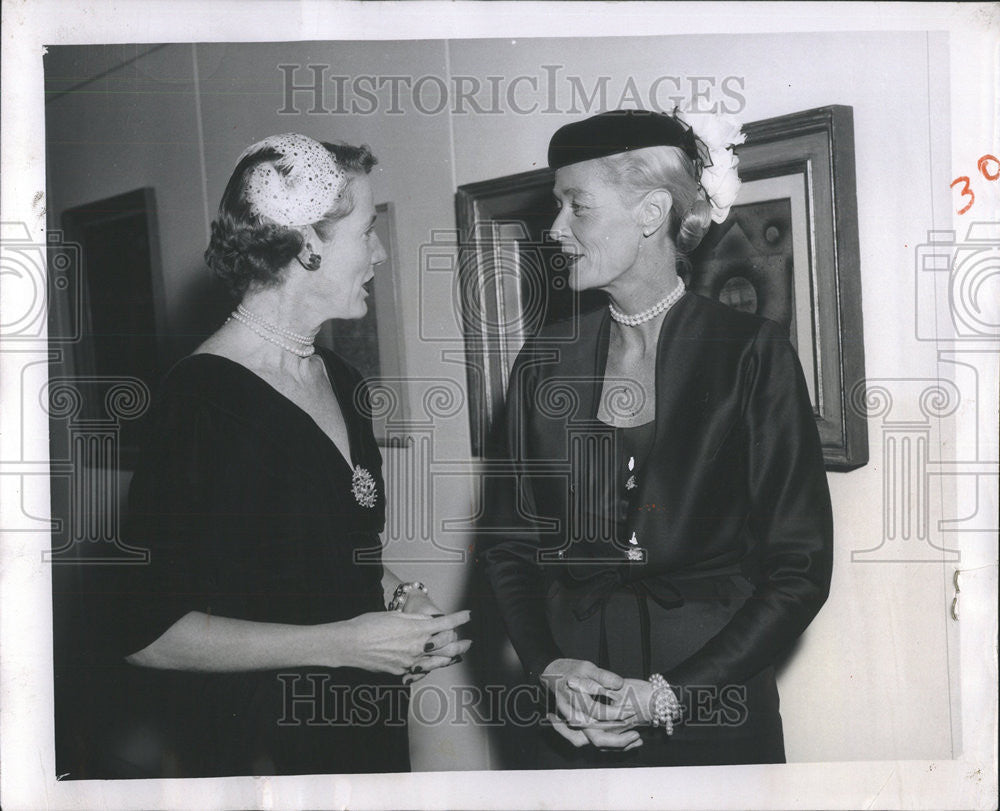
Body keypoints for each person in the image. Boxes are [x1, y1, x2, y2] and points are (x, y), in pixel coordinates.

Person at [84, 133, 471, 778]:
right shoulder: (202, 399)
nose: (378, 252)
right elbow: (144, 633)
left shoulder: (342, 380)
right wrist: (343, 644)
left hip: (364, 728)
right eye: (367, 231)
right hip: (262, 749)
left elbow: (328, 555)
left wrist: (401, 600)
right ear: (309, 246)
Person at [482, 109, 833, 768]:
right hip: (571, 715)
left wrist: (669, 695)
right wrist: (549, 666)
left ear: (650, 213)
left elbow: (799, 571)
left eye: (575, 207)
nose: (554, 230)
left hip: (712, 706)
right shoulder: (542, 361)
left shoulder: (750, 355)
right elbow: (507, 548)